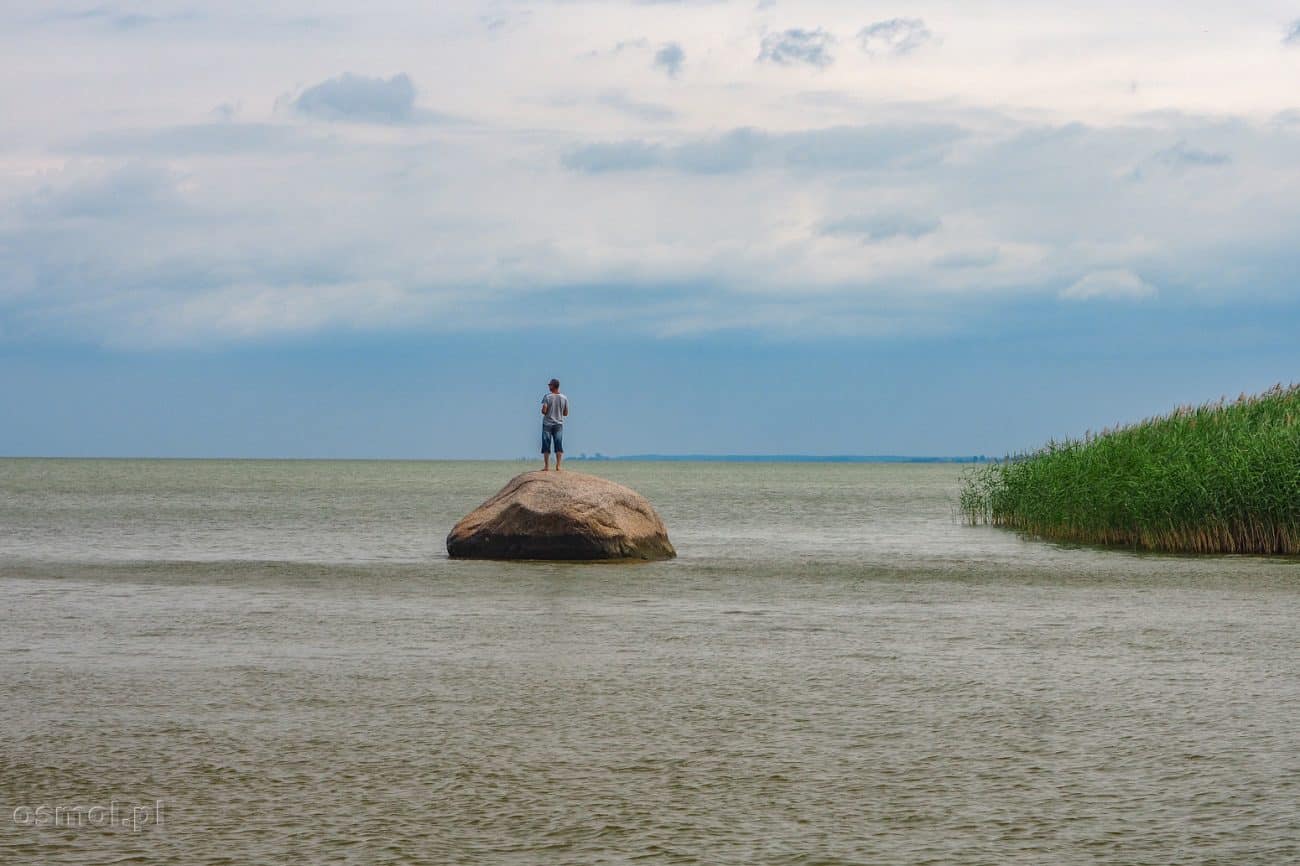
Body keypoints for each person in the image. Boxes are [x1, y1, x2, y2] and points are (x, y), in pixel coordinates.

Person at [540, 378, 569, 471]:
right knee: (558, 444)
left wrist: (543, 411)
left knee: (546, 445)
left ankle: (546, 466)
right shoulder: (564, 398)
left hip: (547, 423)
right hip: (558, 423)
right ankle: (558, 466)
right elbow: (566, 413)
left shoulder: (547, 397)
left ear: (553, 386)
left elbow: (544, 410)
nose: (548, 386)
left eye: (550, 385)